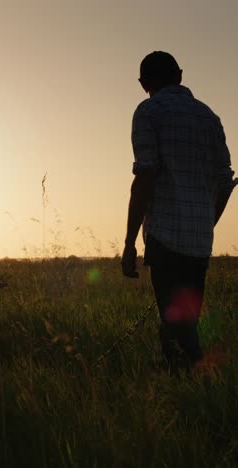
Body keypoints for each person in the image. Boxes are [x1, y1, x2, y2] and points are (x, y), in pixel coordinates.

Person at [121, 51, 237, 372]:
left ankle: (194, 384)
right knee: (183, 318)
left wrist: (130, 242)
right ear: (181, 75)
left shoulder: (147, 112)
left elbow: (145, 176)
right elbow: (226, 181)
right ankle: (189, 388)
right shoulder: (209, 118)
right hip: (200, 241)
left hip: (164, 237)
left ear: (144, 83)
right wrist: (208, 222)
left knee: (178, 328)